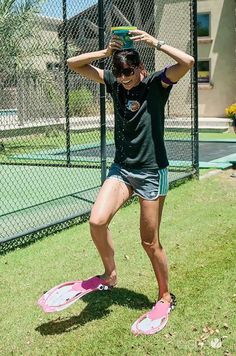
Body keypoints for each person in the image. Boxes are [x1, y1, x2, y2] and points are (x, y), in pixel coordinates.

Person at [67, 29, 194, 335]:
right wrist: (103, 54)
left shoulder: (155, 85)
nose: (123, 78)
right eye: (119, 72)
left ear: (140, 69)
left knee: (150, 242)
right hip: (122, 169)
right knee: (97, 221)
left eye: (128, 72)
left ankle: (165, 295)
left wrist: (155, 43)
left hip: (151, 172)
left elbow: (188, 61)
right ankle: (110, 276)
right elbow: (73, 63)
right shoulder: (114, 83)